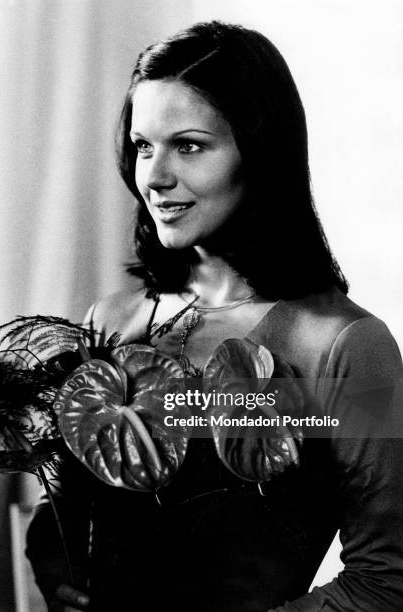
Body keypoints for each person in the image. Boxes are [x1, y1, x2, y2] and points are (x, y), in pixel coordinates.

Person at [26, 21, 403, 611]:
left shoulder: (351, 346)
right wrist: (55, 565)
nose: (154, 176)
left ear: (259, 149)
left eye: (190, 145)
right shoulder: (112, 319)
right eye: (143, 145)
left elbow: (386, 581)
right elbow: (69, 510)